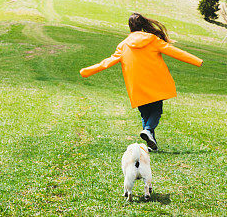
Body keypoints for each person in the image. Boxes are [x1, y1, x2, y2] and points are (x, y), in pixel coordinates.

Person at [79, 13, 203, 150]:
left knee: (145, 113)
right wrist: (197, 61)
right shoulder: (152, 40)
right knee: (156, 110)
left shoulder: (123, 45)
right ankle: (149, 131)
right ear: (143, 25)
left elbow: (106, 63)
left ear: (130, 27)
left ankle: (152, 144)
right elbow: (174, 51)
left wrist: (86, 71)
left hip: (136, 84)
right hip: (155, 82)